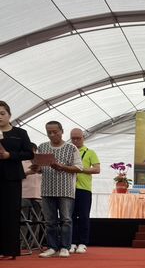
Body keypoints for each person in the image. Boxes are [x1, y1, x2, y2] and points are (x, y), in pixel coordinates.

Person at [36, 121, 83, 258]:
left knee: (66, 219)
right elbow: (40, 167)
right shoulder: (42, 147)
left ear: (62, 131)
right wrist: (37, 168)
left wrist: (62, 167)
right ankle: (52, 247)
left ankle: (65, 247)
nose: (52, 134)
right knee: (50, 221)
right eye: (49, 132)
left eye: (55, 132)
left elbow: (79, 167)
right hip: (47, 189)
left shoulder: (71, 148)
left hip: (66, 189)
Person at [0, 100, 34, 259]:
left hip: (12, 177)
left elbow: (29, 153)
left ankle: (10, 250)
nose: (0, 117)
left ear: (9, 115)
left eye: (2, 113)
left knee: (11, 212)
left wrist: (10, 155)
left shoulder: (20, 133)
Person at [69, 128, 100, 254]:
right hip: (68, 189)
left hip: (84, 189)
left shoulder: (90, 152)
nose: (76, 141)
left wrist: (80, 169)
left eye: (78, 138)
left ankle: (82, 242)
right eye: (73, 138)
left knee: (83, 216)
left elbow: (97, 169)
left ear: (83, 138)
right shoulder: (67, 151)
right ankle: (71, 242)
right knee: (69, 217)